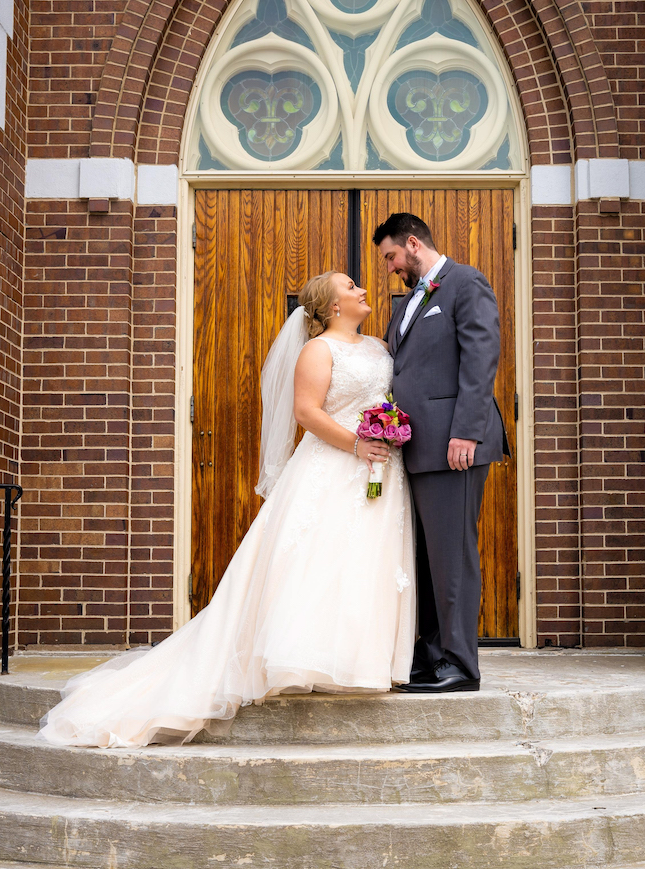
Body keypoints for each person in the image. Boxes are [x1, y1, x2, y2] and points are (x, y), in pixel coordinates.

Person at [38, 272, 415, 748]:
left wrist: (387, 433)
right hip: (335, 465)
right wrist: (357, 444)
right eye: (350, 285)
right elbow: (306, 412)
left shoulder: (380, 347)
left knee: (365, 559)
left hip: (379, 472)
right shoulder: (318, 351)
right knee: (316, 559)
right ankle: (301, 657)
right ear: (332, 304)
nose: (362, 288)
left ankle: (360, 661)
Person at [374, 212, 506, 693]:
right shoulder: (409, 301)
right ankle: (430, 658)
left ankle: (459, 664)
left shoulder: (465, 283)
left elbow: (480, 356)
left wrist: (467, 432)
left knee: (452, 556)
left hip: (455, 445)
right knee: (426, 559)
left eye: (391, 256)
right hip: (416, 449)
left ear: (413, 244)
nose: (389, 266)